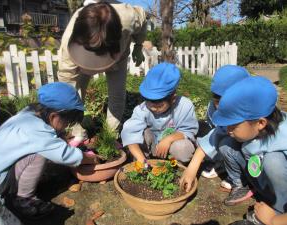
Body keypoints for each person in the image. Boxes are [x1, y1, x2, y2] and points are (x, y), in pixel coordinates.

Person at [180, 76, 287, 224]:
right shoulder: (249, 124)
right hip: (260, 177)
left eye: (232, 126)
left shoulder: (283, 139)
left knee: (273, 162)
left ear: (261, 123)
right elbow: (215, 136)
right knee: (226, 143)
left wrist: (274, 220)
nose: (228, 129)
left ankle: (279, 208)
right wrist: (191, 169)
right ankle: (249, 188)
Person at [0, 82, 100, 220]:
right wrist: (91, 159)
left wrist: (62, 138)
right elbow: (65, 155)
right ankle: (23, 200)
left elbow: (55, 136)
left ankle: (21, 188)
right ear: (53, 116)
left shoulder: (29, 114)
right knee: (38, 154)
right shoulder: (35, 130)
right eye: (68, 122)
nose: (67, 126)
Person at [58, 1, 147, 147]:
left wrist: (138, 45)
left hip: (118, 57)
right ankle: (80, 123)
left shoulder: (129, 17)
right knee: (77, 89)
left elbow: (143, 19)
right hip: (81, 60)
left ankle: (111, 136)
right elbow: (67, 90)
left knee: (117, 94)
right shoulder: (69, 47)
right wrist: (74, 125)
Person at [121, 62, 198, 163]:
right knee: (141, 135)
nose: (154, 109)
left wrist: (168, 139)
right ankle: (146, 161)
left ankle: (176, 165)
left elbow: (188, 131)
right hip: (151, 149)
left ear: (173, 98)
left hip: (172, 149)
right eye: (150, 104)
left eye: (159, 106)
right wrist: (141, 159)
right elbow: (129, 133)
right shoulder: (142, 109)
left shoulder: (184, 105)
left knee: (182, 148)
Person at [200, 65, 251, 195]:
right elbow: (216, 130)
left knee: (228, 145)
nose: (220, 106)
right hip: (231, 143)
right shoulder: (212, 106)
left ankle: (246, 178)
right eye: (217, 101)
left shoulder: (251, 109)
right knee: (222, 143)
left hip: (251, 149)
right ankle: (232, 172)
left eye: (225, 101)